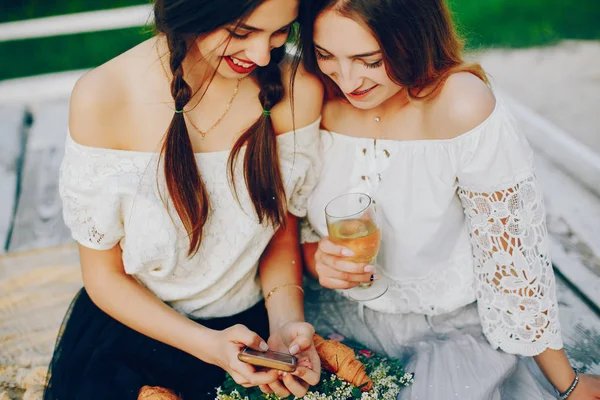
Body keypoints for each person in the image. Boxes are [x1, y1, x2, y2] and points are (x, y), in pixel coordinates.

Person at [297, 0, 600, 399]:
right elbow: (290, 220)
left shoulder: (459, 105)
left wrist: (569, 383)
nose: (348, 79)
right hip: (335, 319)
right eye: (325, 55)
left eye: (369, 60)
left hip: (448, 332)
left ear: (414, 37)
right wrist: (317, 260)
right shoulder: (310, 95)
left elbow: (510, 261)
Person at [43, 0, 324, 399]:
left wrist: (285, 323)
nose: (263, 55)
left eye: (280, 32)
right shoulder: (103, 97)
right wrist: (208, 346)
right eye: (241, 33)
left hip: (254, 338)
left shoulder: (298, 90)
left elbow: (279, 234)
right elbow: (103, 276)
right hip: (134, 336)